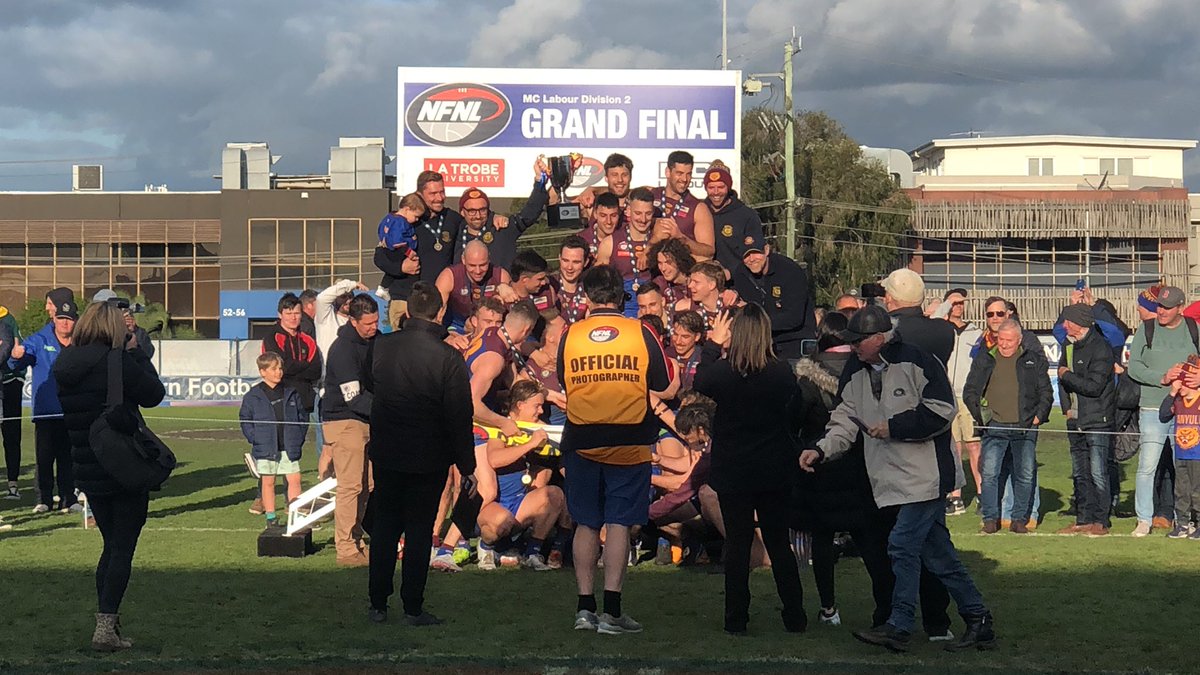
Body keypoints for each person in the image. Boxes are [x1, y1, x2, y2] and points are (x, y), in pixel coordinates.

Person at [800, 305, 995, 653]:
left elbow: (941, 412)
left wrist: (893, 427)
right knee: (938, 556)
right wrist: (821, 449)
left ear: (879, 338)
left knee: (902, 546)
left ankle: (899, 625)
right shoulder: (855, 372)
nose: (853, 347)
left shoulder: (919, 361)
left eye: (858, 341)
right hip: (891, 481)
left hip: (927, 476)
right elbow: (845, 418)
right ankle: (978, 617)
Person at [558, 265, 671, 634]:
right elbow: (665, 381)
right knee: (620, 522)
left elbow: (564, 378)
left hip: (582, 437)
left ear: (587, 297)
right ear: (621, 296)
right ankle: (613, 610)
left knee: (587, 522)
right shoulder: (641, 331)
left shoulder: (570, 334)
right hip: (629, 436)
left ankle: (584, 608)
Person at [53, 301, 166, 651]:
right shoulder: (116, 360)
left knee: (111, 545)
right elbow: (153, 394)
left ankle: (108, 624)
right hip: (123, 464)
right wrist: (135, 354)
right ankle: (105, 625)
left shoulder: (65, 364)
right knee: (123, 547)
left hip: (87, 464)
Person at [364, 281, 475, 625]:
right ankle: (412, 606)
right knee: (418, 531)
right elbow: (460, 414)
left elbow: (371, 385)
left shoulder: (381, 347)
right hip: (429, 456)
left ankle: (377, 603)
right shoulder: (448, 357)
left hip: (387, 451)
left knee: (384, 528)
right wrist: (467, 464)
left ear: (408, 311)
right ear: (440, 313)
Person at [694, 305, 807, 635]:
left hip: (734, 469)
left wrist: (713, 344)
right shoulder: (781, 373)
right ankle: (795, 615)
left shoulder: (724, 373)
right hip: (774, 467)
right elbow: (796, 413)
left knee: (738, 546)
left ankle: (736, 619)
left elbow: (700, 380)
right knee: (778, 544)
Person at [789, 311, 893, 629]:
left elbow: (793, 422)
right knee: (870, 541)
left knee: (822, 542)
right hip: (861, 465)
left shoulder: (807, 377)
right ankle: (885, 607)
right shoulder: (865, 369)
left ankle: (828, 608)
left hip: (820, 466)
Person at [962, 319, 1052, 534]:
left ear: (1019, 340)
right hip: (994, 427)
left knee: (1025, 474)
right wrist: (981, 415)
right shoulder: (985, 358)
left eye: (1009, 340)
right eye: (1001, 339)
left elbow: (1046, 392)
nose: (1004, 344)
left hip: (1025, 427)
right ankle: (990, 519)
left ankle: (1019, 520)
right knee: (990, 474)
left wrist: (1039, 416)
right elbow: (970, 391)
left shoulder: (1033, 360)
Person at [1126, 285, 1199, 536]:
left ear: (1180, 307)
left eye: (1167, 307)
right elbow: (1133, 367)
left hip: (1188, 410)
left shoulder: (1193, 328)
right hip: (1152, 407)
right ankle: (1143, 519)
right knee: (1147, 466)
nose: (1161, 311)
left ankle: (1186, 520)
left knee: (1187, 468)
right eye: (1159, 306)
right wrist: (1162, 377)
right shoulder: (1145, 329)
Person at [475, 380, 569, 571]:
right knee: (502, 522)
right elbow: (495, 459)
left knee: (555, 494)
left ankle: (532, 553)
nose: (541, 411)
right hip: (496, 504)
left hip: (521, 502)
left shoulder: (538, 428)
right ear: (520, 405)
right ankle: (486, 547)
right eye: (537, 406)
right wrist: (529, 445)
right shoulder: (500, 426)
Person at [321, 294, 380, 566]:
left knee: (367, 485)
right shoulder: (343, 350)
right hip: (345, 421)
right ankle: (345, 549)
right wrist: (389, 411)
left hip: (366, 421)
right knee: (350, 486)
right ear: (353, 320)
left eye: (376, 322)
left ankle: (357, 541)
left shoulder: (374, 341)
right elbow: (353, 398)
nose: (373, 327)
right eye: (367, 323)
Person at [11, 288, 78, 514]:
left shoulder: (82, 341)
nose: (64, 324)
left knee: (69, 458)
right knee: (45, 458)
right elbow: (21, 359)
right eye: (61, 319)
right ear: (55, 319)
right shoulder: (40, 339)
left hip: (72, 412)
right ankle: (44, 500)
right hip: (46, 412)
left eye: (69, 320)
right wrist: (16, 355)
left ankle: (69, 499)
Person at [1055, 303, 1116, 536]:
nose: (1063, 325)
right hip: (1075, 419)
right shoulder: (1068, 345)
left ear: (1078, 322)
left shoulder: (1101, 348)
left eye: (1067, 321)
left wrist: (1067, 375)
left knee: (1098, 471)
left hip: (1097, 418)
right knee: (1080, 472)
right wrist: (1066, 407)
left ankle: (1101, 521)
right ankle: (1083, 519)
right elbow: (1061, 378)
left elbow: (1093, 386)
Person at [240, 353, 307, 527]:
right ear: (263, 372)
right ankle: (271, 517)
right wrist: (255, 438)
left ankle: (296, 514)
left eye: (280, 368)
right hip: (266, 447)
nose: (279, 372)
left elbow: (302, 417)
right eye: (274, 369)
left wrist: (298, 437)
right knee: (268, 482)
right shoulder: (253, 396)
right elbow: (245, 419)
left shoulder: (291, 392)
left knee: (295, 480)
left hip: (289, 446)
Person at [732, 236, 816, 362]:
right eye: (746, 256)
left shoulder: (790, 271)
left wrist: (755, 323)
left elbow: (794, 318)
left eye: (756, 253)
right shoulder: (741, 274)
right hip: (760, 346)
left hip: (795, 343)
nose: (751, 259)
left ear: (766, 250)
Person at [453, 162, 550, 271]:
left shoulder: (502, 228)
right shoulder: (454, 234)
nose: (478, 215)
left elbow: (529, 214)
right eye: (472, 211)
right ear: (462, 212)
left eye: (482, 210)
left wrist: (539, 180)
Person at [937, 289, 982, 516]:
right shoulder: (939, 329)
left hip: (967, 394)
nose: (958, 306)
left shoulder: (976, 333)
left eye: (961, 302)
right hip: (945, 394)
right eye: (954, 302)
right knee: (953, 447)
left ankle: (983, 493)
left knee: (974, 445)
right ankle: (955, 496)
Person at [595, 186, 656, 317]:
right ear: (628, 211)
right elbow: (599, 285)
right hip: (622, 310)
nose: (643, 219)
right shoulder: (610, 242)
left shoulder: (659, 239)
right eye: (638, 213)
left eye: (648, 213)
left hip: (652, 309)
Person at [435, 240, 512, 334]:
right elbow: (436, 314)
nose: (478, 271)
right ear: (463, 259)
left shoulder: (501, 275)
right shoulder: (449, 276)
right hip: (456, 326)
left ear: (489, 259)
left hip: (490, 327)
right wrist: (447, 337)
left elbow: (510, 313)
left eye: (483, 265)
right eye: (472, 265)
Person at [880, 268, 954, 365]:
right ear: (922, 298)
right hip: (933, 379)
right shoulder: (944, 329)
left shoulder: (884, 331)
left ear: (889, 297)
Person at [1160, 365, 1200, 539]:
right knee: (1181, 490)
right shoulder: (1177, 401)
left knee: (1197, 490)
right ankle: (1182, 524)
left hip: (1197, 454)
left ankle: (1197, 523)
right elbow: (1163, 415)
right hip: (1182, 453)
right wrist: (1171, 392)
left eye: (1182, 384)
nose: (1179, 387)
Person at [651, 150, 715, 259]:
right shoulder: (651, 195)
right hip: (648, 271)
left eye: (688, 174)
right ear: (667, 172)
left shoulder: (698, 207)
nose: (684, 179)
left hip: (681, 272)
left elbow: (709, 251)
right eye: (679, 173)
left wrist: (681, 238)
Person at [704, 163, 765, 271]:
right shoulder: (699, 211)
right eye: (711, 187)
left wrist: (730, 274)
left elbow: (754, 254)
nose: (716, 192)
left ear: (728, 187)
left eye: (721, 187)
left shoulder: (747, 215)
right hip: (703, 282)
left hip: (737, 281)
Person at [673, 260, 742, 334]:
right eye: (691, 281)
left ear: (711, 285)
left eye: (696, 282)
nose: (690, 286)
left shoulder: (734, 309)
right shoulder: (684, 308)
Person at [0, 303, 18, 500]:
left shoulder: (4, 322)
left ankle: (13, 486)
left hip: (4, 387)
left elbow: (5, 348)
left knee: (11, 437)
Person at [551, 235, 590, 326]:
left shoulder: (590, 288)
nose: (569, 267)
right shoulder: (548, 284)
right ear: (559, 258)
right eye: (565, 260)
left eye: (576, 262)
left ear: (586, 262)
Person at [647, 237, 695, 309]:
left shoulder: (695, 281)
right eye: (660, 263)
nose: (663, 268)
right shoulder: (659, 284)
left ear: (679, 260)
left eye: (668, 262)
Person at [667, 311, 705, 394]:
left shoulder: (704, 358)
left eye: (685, 336)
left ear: (697, 337)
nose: (678, 341)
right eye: (675, 334)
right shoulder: (666, 354)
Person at [578, 192, 623, 259]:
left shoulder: (625, 236)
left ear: (619, 214)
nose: (608, 221)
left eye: (613, 215)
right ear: (595, 214)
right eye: (603, 215)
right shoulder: (582, 238)